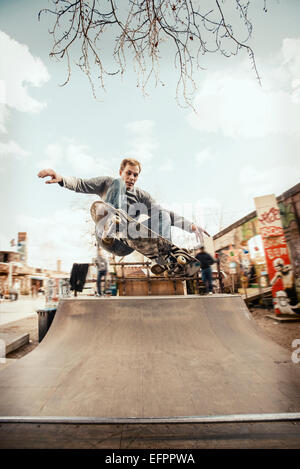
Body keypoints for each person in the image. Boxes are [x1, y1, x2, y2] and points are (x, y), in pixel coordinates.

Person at [38, 158, 208, 259]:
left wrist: (191, 226)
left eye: (135, 175)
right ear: (121, 171)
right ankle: (112, 223)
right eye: (128, 173)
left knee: (161, 213)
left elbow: (166, 215)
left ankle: (165, 255)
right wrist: (61, 179)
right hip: (106, 238)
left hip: (126, 245)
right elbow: (82, 184)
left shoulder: (142, 195)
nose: (132, 178)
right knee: (116, 183)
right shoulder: (109, 182)